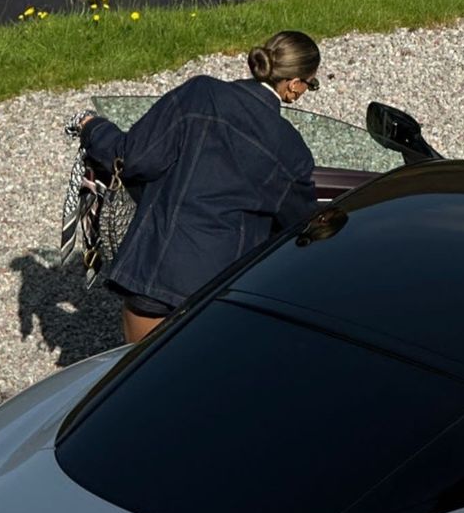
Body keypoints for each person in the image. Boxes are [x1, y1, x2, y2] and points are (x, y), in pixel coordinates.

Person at [76, 30, 321, 343]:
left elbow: (134, 158)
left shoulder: (199, 93)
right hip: (220, 290)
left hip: (155, 269)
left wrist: (93, 127)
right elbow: (299, 227)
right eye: (310, 84)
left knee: (141, 381)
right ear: (294, 84)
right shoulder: (292, 150)